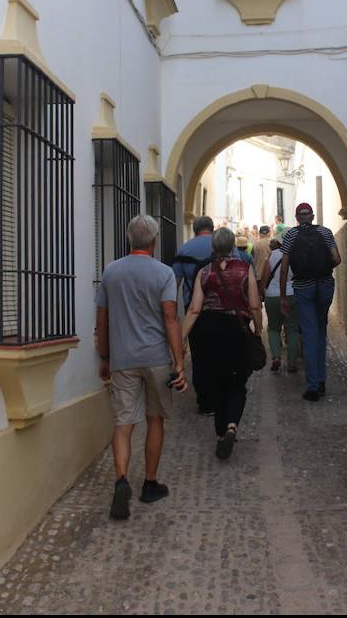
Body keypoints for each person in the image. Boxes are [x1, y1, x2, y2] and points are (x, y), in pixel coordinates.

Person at [95, 215, 187, 521]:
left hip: (123, 358)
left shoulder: (111, 272)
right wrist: (178, 361)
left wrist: (105, 357)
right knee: (155, 420)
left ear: (129, 238)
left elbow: (102, 319)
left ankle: (121, 480)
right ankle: (149, 483)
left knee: (123, 424)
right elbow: (170, 319)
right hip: (157, 358)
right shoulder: (163, 274)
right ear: (155, 240)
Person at [182, 228, 264, 460]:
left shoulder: (204, 272)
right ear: (232, 247)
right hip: (235, 330)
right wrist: (258, 331)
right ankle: (231, 426)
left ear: (213, 248)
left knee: (216, 382)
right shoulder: (244, 269)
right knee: (237, 382)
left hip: (209, 331)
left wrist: (181, 339)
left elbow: (195, 309)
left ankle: (220, 434)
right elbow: (255, 306)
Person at [279, 202, 341, 401]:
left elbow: (284, 267)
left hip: (303, 287)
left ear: (297, 218)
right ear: (312, 216)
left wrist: (282, 296)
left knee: (309, 332)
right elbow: (337, 259)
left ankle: (313, 385)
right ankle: (321, 379)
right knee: (321, 329)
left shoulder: (290, 235)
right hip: (324, 285)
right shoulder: (325, 232)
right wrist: (323, 267)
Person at [173, 215, 235, 415]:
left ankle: (205, 401)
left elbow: (174, 282)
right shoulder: (224, 246)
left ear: (194, 229)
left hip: (193, 307)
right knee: (223, 352)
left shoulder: (184, 250)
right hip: (223, 307)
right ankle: (222, 396)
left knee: (199, 355)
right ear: (212, 228)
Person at [259, 237, 300, 374]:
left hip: (272, 296)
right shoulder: (296, 254)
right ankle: (292, 364)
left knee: (273, 328)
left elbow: (264, 277)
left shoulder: (271, 255)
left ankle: (276, 356)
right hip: (292, 295)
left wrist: (262, 292)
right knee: (292, 330)